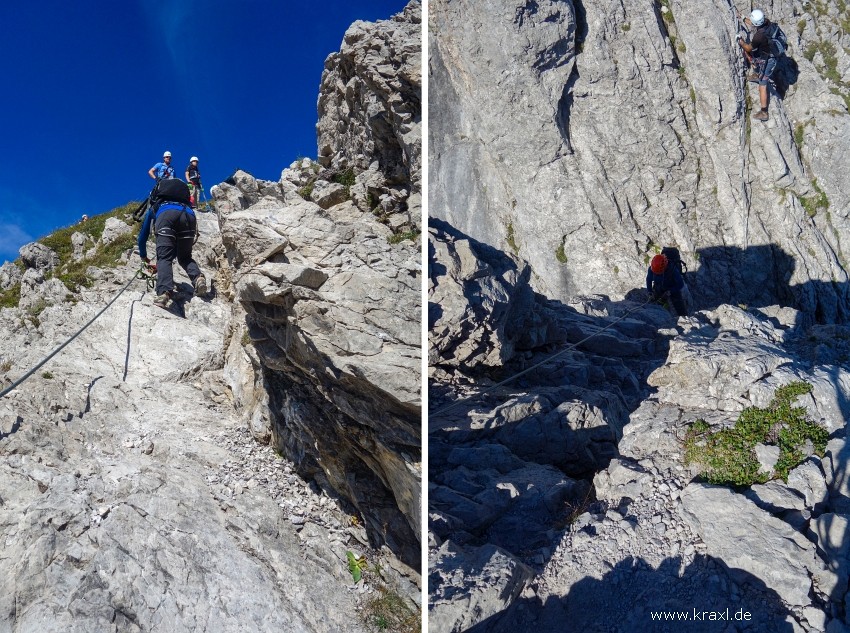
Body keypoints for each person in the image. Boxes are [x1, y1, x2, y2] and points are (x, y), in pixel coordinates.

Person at [136, 178, 208, 308]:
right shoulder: (184, 203)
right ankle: (198, 278)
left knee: (164, 258)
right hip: (189, 216)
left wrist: (143, 257)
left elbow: (142, 237)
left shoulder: (156, 206)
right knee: (185, 257)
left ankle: (164, 292)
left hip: (166, 216)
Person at [737, 9, 779, 122]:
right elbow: (756, 23)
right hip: (769, 54)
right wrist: (743, 19)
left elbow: (748, 48)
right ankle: (757, 74)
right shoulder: (767, 22)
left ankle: (764, 112)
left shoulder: (759, 36)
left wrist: (741, 42)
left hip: (769, 60)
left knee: (762, 85)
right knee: (756, 56)